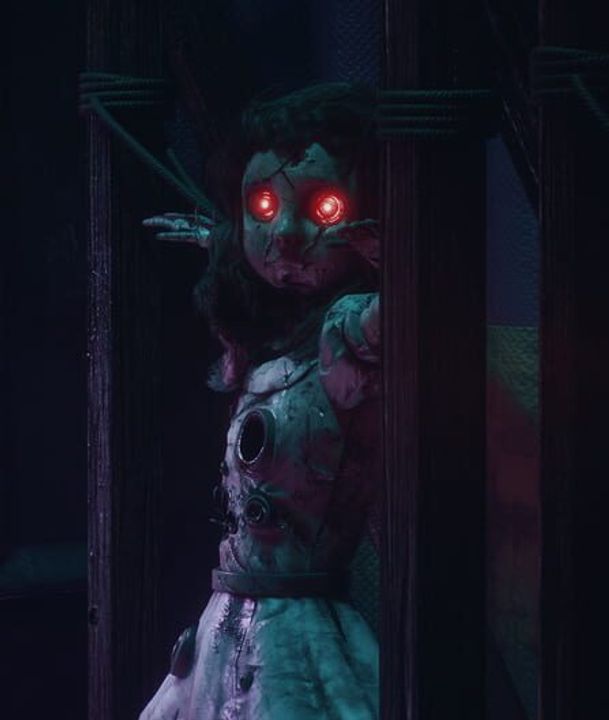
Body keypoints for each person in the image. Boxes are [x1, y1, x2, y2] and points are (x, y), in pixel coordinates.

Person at [140, 83, 382, 720]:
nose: (288, 234)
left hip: (297, 632)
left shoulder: (347, 332)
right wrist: (223, 244)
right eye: (265, 205)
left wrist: (402, 260)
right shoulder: (271, 342)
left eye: (325, 207)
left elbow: (398, 317)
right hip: (228, 620)